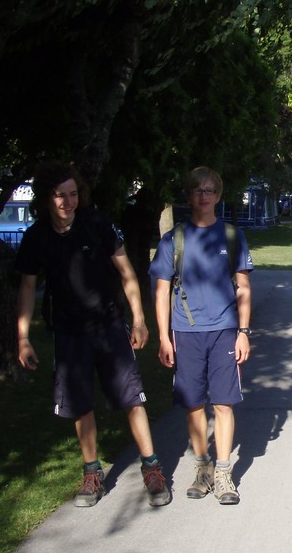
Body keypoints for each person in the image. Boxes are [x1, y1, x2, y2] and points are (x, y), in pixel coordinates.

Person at [15, 161, 169, 508]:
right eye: (60, 195)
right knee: (80, 404)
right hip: (69, 334)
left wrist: (139, 320)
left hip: (109, 326)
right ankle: (91, 474)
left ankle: (152, 468)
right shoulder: (37, 236)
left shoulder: (97, 223)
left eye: (73, 194)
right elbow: (27, 287)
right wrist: (22, 337)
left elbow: (126, 272)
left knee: (132, 399)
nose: (68, 202)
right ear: (46, 198)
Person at [149, 167, 253, 505]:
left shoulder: (232, 236)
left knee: (223, 403)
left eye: (209, 190)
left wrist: (243, 332)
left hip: (224, 331)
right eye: (197, 190)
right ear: (189, 195)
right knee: (193, 403)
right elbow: (162, 291)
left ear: (218, 196)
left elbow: (243, 287)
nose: (203, 196)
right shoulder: (174, 239)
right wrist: (164, 337)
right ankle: (203, 468)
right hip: (186, 332)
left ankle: (223, 473)